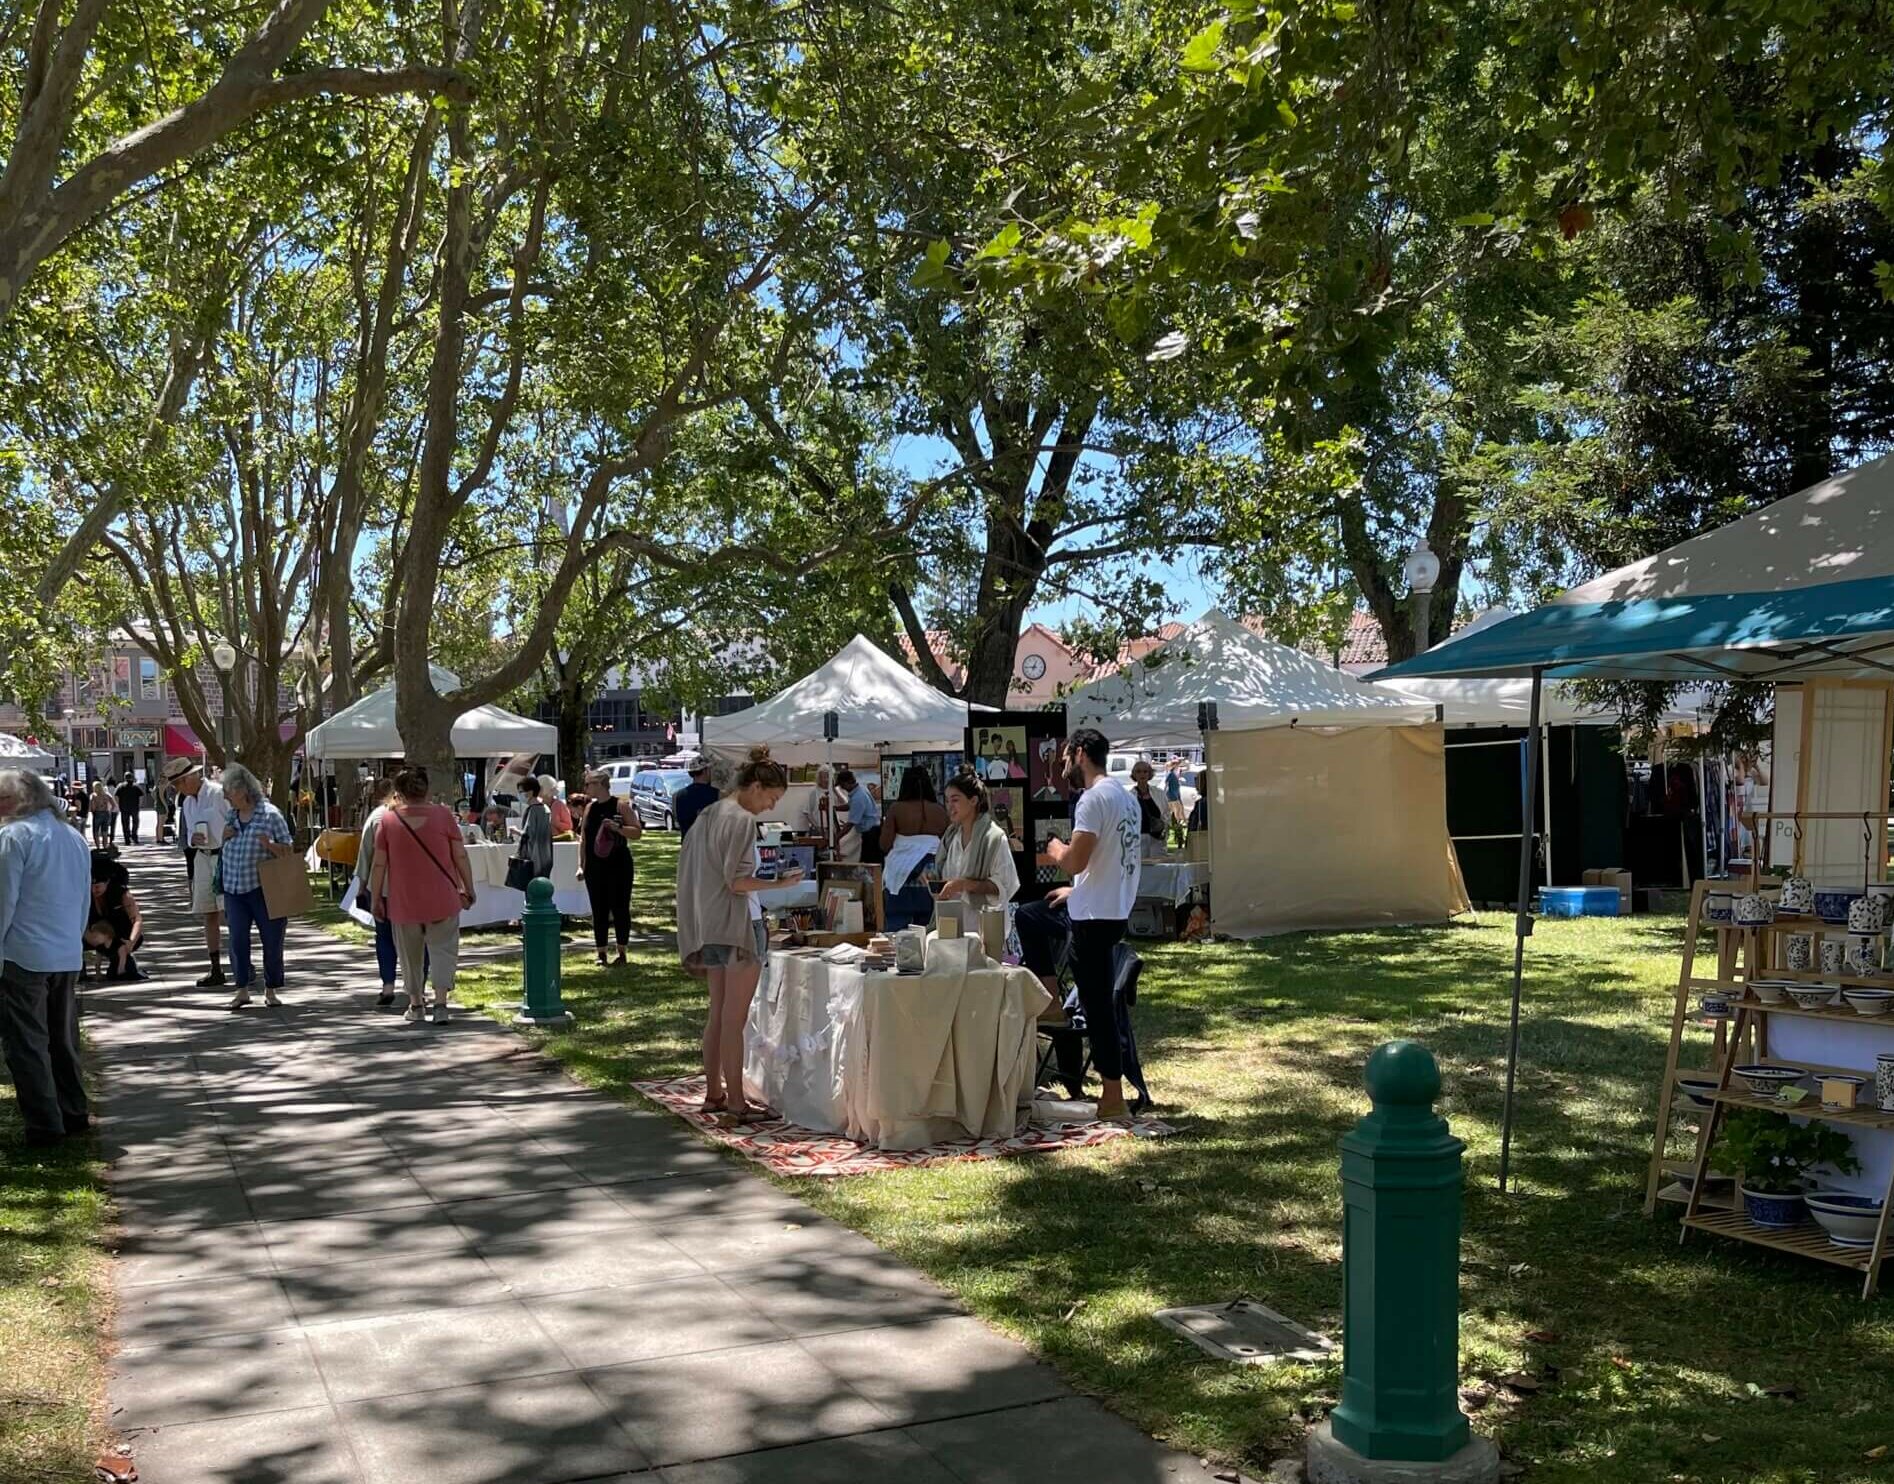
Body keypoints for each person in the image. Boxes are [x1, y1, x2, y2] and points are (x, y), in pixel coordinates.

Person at [676, 747, 801, 1124]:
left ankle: (715, 1093)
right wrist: (780, 883)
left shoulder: (709, 814)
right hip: (739, 925)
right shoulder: (741, 820)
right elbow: (737, 881)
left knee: (718, 1014)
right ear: (756, 786)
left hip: (711, 925)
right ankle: (735, 1102)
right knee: (733, 1018)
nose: (770, 807)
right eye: (771, 798)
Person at [1039, 728, 1141, 1122]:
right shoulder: (1124, 797)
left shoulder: (1092, 799)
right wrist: (1077, 888)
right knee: (1031, 917)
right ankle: (1051, 1003)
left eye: (1066, 755)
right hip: (1110, 909)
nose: (1063, 763)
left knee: (1097, 1009)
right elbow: (1106, 861)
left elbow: (1075, 860)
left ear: (1080, 753)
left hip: (1094, 917)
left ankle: (1113, 1096)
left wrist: (1054, 849)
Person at [0, 769, 93, 1146]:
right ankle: (73, 1111)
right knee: (63, 1039)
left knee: (27, 1043)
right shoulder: (72, 837)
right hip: (65, 951)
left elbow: (3, 903)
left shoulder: (14, 837)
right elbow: (84, 900)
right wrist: (75, 942)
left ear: (16, 801)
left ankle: (44, 1124)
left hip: (24, 954)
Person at [368, 767, 477, 1024]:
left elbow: (379, 864)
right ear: (426, 789)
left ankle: (416, 1005)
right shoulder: (443, 815)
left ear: (398, 791)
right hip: (442, 897)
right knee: (443, 951)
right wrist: (469, 887)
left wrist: (375, 899)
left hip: (404, 900)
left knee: (409, 955)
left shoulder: (388, 821)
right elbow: (460, 855)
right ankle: (440, 1004)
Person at [217, 763, 298, 1010]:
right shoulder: (232, 816)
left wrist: (269, 845)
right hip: (234, 889)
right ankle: (241, 990)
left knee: (272, 941)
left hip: (265, 890)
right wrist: (224, 837)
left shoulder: (270, 815)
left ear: (243, 790)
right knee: (237, 940)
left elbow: (289, 851)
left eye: (228, 790)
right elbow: (225, 847)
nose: (225, 796)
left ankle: (271, 989)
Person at [167, 757, 230, 986]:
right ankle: (215, 968)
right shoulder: (187, 803)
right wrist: (192, 839)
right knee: (207, 912)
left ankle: (243, 963)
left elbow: (236, 822)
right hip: (202, 857)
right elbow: (189, 836)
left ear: (192, 776)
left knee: (230, 912)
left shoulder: (218, 793)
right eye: (175, 784)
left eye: (180, 782)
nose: (179, 788)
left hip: (224, 855)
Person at [574, 768, 641, 965]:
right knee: (598, 909)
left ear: (600, 784)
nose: (585, 788)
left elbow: (637, 832)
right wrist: (581, 865)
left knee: (620, 907)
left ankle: (622, 951)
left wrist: (618, 828)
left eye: (588, 784)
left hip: (618, 864)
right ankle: (601, 953)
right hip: (594, 866)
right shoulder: (589, 808)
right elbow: (584, 840)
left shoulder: (620, 806)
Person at [935, 771, 1021, 909]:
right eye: (947, 801)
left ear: (973, 801)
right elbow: (943, 874)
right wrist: (932, 878)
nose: (949, 806)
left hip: (983, 919)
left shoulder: (994, 838)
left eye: (955, 800)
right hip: (952, 917)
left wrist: (965, 885)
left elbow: (1006, 885)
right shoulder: (950, 837)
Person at [879, 765, 948, 930]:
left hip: (900, 870)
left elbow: (885, 844)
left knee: (897, 926)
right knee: (929, 925)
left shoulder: (896, 809)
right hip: (930, 869)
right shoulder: (939, 810)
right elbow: (948, 843)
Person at [356, 777, 404, 1006]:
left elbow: (365, 856)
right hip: (413, 889)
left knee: (384, 937)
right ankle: (419, 987)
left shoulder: (377, 817)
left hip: (382, 887)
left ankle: (388, 985)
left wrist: (361, 887)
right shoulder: (423, 816)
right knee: (419, 939)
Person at [86, 852, 148, 980]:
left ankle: (122, 962)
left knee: (122, 973)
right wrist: (88, 936)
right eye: (90, 886)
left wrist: (131, 942)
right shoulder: (83, 894)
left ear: (107, 882)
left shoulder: (121, 894)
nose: (94, 890)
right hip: (92, 934)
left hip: (119, 935)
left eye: (97, 886)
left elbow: (137, 920)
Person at [836, 767, 881, 865]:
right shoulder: (860, 789)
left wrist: (837, 837)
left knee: (869, 863)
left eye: (842, 786)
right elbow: (850, 806)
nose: (843, 788)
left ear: (846, 783)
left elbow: (850, 824)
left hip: (871, 833)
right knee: (867, 860)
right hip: (872, 831)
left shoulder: (858, 797)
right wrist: (835, 808)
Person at [516, 776, 554, 880]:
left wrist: (515, 831)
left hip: (533, 858)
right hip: (546, 856)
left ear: (530, 792)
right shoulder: (545, 808)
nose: (519, 795)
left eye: (521, 792)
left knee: (531, 887)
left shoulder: (532, 810)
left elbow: (528, 834)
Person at [1129, 760, 1169, 851]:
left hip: (1157, 839)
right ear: (1134, 775)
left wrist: (1163, 827)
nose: (1142, 774)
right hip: (1138, 839)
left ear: (1150, 774)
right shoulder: (1129, 796)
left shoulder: (1159, 793)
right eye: (1138, 771)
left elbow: (1166, 814)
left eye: (1145, 771)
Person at [675, 756, 720, 836]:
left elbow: (678, 822)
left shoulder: (679, 795)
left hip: (687, 841)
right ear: (706, 771)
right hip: (708, 841)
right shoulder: (716, 794)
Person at [114, 774, 144, 845]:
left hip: (124, 807)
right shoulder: (136, 786)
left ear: (124, 778)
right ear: (132, 777)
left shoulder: (120, 786)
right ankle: (134, 836)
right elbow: (141, 796)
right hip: (134, 807)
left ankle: (127, 839)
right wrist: (139, 805)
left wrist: (118, 804)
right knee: (135, 822)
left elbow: (116, 796)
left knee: (125, 823)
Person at [89, 779, 115, 849]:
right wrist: (109, 811)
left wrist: (92, 811)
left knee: (96, 832)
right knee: (105, 832)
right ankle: (105, 846)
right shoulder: (107, 795)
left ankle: (98, 847)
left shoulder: (93, 796)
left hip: (97, 813)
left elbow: (92, 807)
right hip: (106, 813)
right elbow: (113, 804)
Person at [1165, 758, 1184, 825]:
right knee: (1177, 809)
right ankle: (1176, 823)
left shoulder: (1174, 773)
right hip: (1171, 794)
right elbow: (1166, 783)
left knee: (1176, 809)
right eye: (1175, 764)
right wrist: (1165, 793)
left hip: (1175, 793)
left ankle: (1174, 823)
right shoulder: (1170, 774)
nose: (1177, 765)